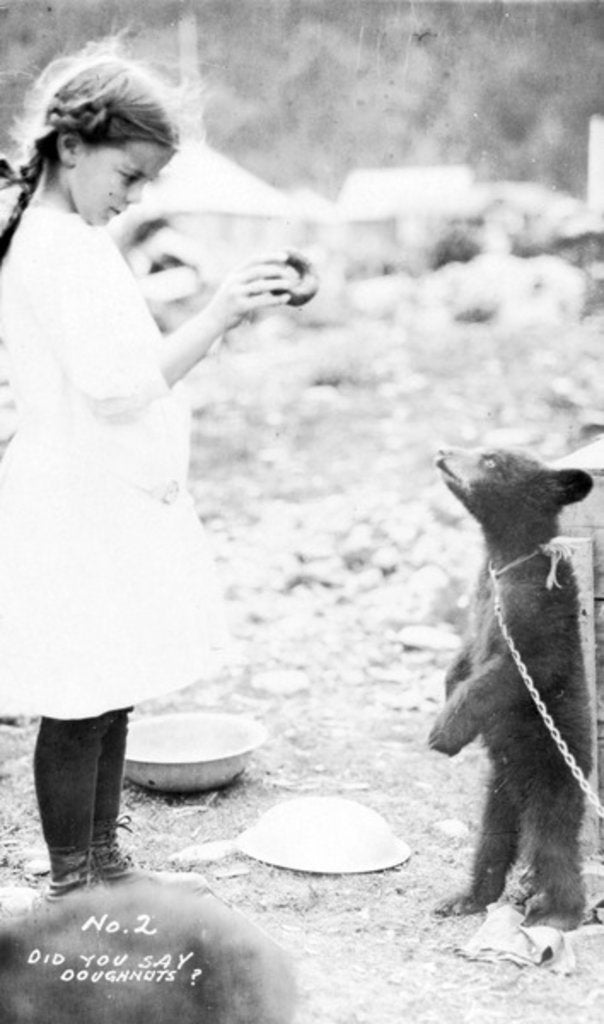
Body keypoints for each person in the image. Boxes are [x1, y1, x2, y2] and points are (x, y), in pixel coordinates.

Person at [0, 42, 298, 900]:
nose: (133, 197)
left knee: (113, 679)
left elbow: (124, 360)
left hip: (104, 490)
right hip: (74, 496)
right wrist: (218, 314)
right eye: (128, 176)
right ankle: (74, 881)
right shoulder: (53, 247)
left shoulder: (76, 238)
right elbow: (117, 385)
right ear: (72, 147)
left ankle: (105, 865)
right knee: (79, 690)